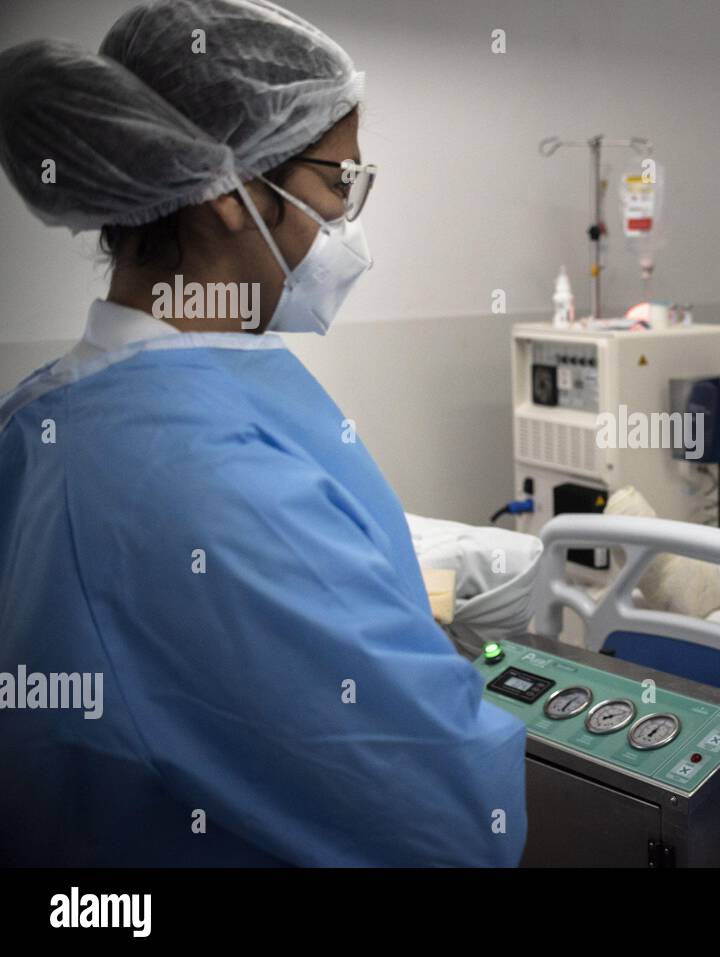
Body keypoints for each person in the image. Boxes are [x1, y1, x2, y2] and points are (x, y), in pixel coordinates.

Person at [0, 0, 525, 866]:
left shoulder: (42, 419)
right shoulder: (199, 473)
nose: (347, 225)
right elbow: (450, 825)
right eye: (336, 183)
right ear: (224, 193)